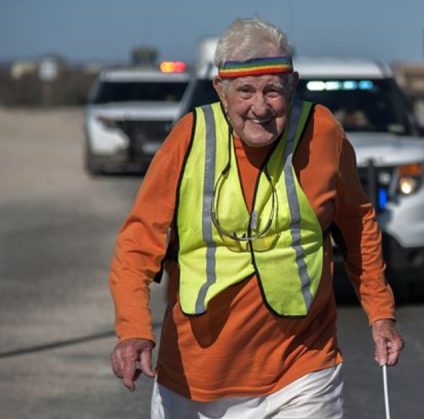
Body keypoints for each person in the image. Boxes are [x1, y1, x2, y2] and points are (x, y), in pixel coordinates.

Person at [108, 17, 403, 418]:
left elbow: (358, 225)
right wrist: (133, 331)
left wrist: (380, 313)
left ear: (293, 86)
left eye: (273, 91)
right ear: (221, 90)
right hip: (194, 384)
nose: (260, 107)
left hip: (302, 374)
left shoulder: (324, 134)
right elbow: (136, 246)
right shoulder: (188, 139)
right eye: (245, 90)